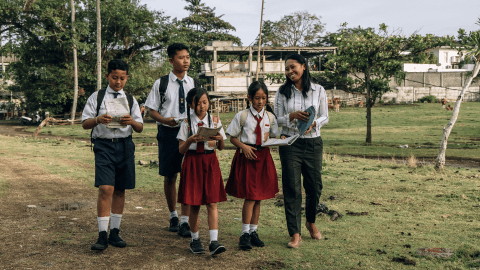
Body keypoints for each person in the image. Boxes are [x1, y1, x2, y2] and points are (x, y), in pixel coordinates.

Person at [81, 59, 144, 250]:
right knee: (105, 189)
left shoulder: (131, 99)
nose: (118, 82)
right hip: (104, 146)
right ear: (107, 75)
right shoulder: (97, 97)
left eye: (122, 78)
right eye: (114, 77)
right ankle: (102, 234)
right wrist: (99, 119)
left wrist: (131, 122)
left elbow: (140, 127)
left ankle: (114, 233)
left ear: (127, 78)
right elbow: (85, 123)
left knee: (119, 189)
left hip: (125, 146)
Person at [274, 54, 329, 248]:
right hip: (290, 144)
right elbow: (276, 119)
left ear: (304, 67)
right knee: (292, 188)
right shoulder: (282, 92)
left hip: (313, 143)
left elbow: (325, 116)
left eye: (293, 67)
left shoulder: (319, 90)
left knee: (314, 187)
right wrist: (291, 116)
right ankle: (295, 233)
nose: (290, 72)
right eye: (287, 69)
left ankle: (310, 221)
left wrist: (314, 122)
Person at [144, 43, 194, 237]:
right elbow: (151, 110)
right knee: (171, 175)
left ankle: (185, 220)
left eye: (188, 57)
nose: (186, 61)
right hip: (168, 133)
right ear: (171, 60)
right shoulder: (161, 83)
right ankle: (173, 215)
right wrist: (165, 120)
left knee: (188, 175)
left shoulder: (193, 83)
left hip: (188, 133)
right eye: (181, 58)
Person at [225, 81, 280, 250]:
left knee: (258, 198)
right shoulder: (242, 116)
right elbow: (232, 137)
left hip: (263, 158)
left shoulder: (270, 117)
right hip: (248, 156)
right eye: (257, 98)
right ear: (249, 98)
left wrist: (281, 140)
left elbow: (275, 136)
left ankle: (254, 231)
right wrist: (244, 147)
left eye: (264, 98)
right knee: (250, 197)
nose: (260, 102)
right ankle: (244, 234)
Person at [176, 87, 228, 256]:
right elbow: (181, 150)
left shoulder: (214, 121)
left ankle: (214, 241)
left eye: (205, 102)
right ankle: (195, 239)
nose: (202, 106)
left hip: (210, 162)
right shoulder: (186, 123)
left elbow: (221, 147)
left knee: (212, 202)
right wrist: (191, 139)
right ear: (191, 105)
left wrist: (219, 139)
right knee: (195, 203)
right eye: (198, 103)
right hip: (193, 162)